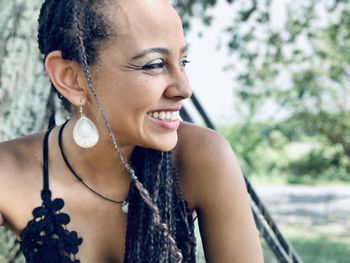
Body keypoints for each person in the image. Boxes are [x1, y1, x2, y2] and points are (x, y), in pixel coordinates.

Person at [0, 0, 263, 262]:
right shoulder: (9, 173)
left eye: (183, 61)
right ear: (72, 78)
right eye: (154, 64)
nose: (184, 88)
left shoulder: (203, 157)